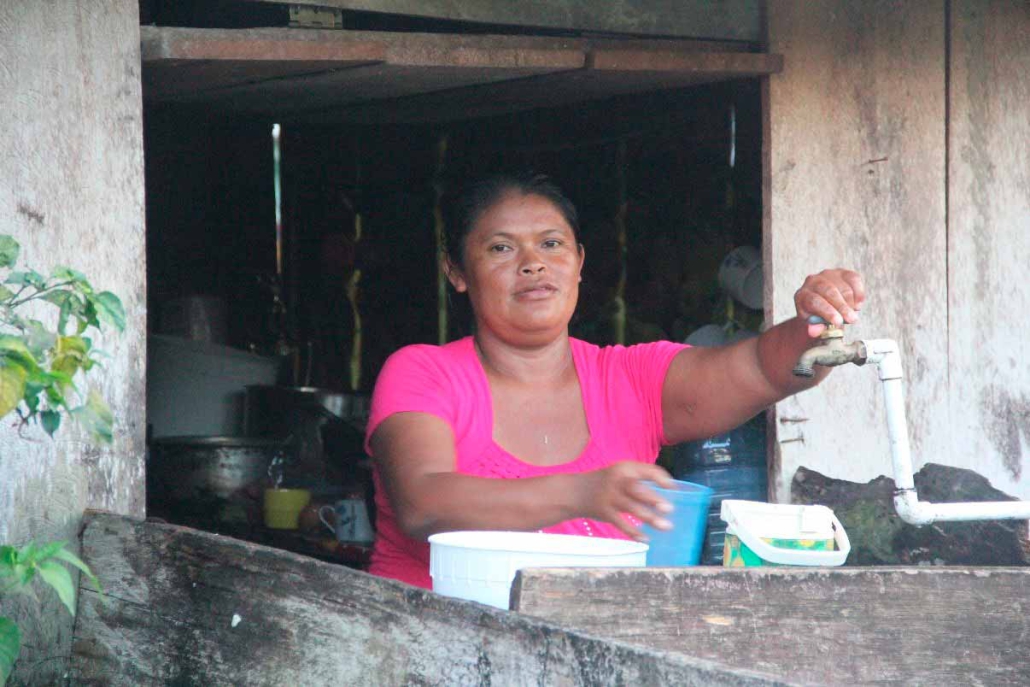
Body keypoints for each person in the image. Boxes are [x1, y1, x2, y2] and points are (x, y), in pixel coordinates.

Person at [364, 172, 865, 588]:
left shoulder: (630, 378)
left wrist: (817, 324)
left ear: (579, 262)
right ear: (457, 271)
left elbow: (760, 367)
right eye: (500, 248)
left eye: (551, 244)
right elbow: (422, 502)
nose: (533, 263)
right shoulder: (424, 373)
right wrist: (583, 494)